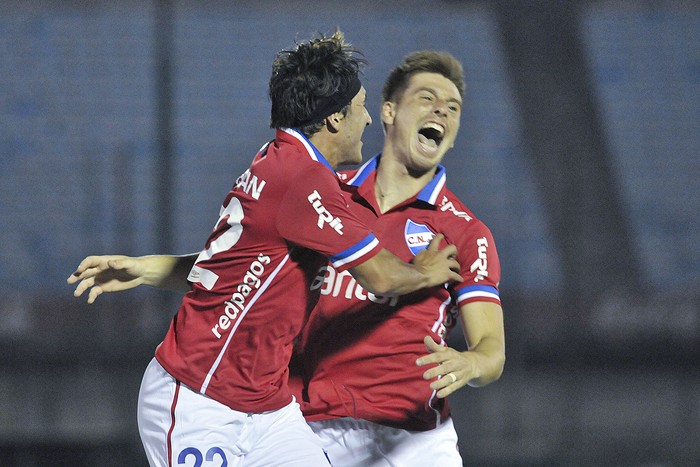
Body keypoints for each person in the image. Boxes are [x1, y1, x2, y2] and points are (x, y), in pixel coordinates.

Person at [69, 50, 503, 466]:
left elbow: (236, 267)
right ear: (378, 112)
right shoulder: (318, 188)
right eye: (426, 99)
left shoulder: (286, 164)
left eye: (453, 106)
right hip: (203, 397)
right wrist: (422, 271)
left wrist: (147, 268)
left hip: (320, 417)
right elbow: (383, 278)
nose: (366, 118)